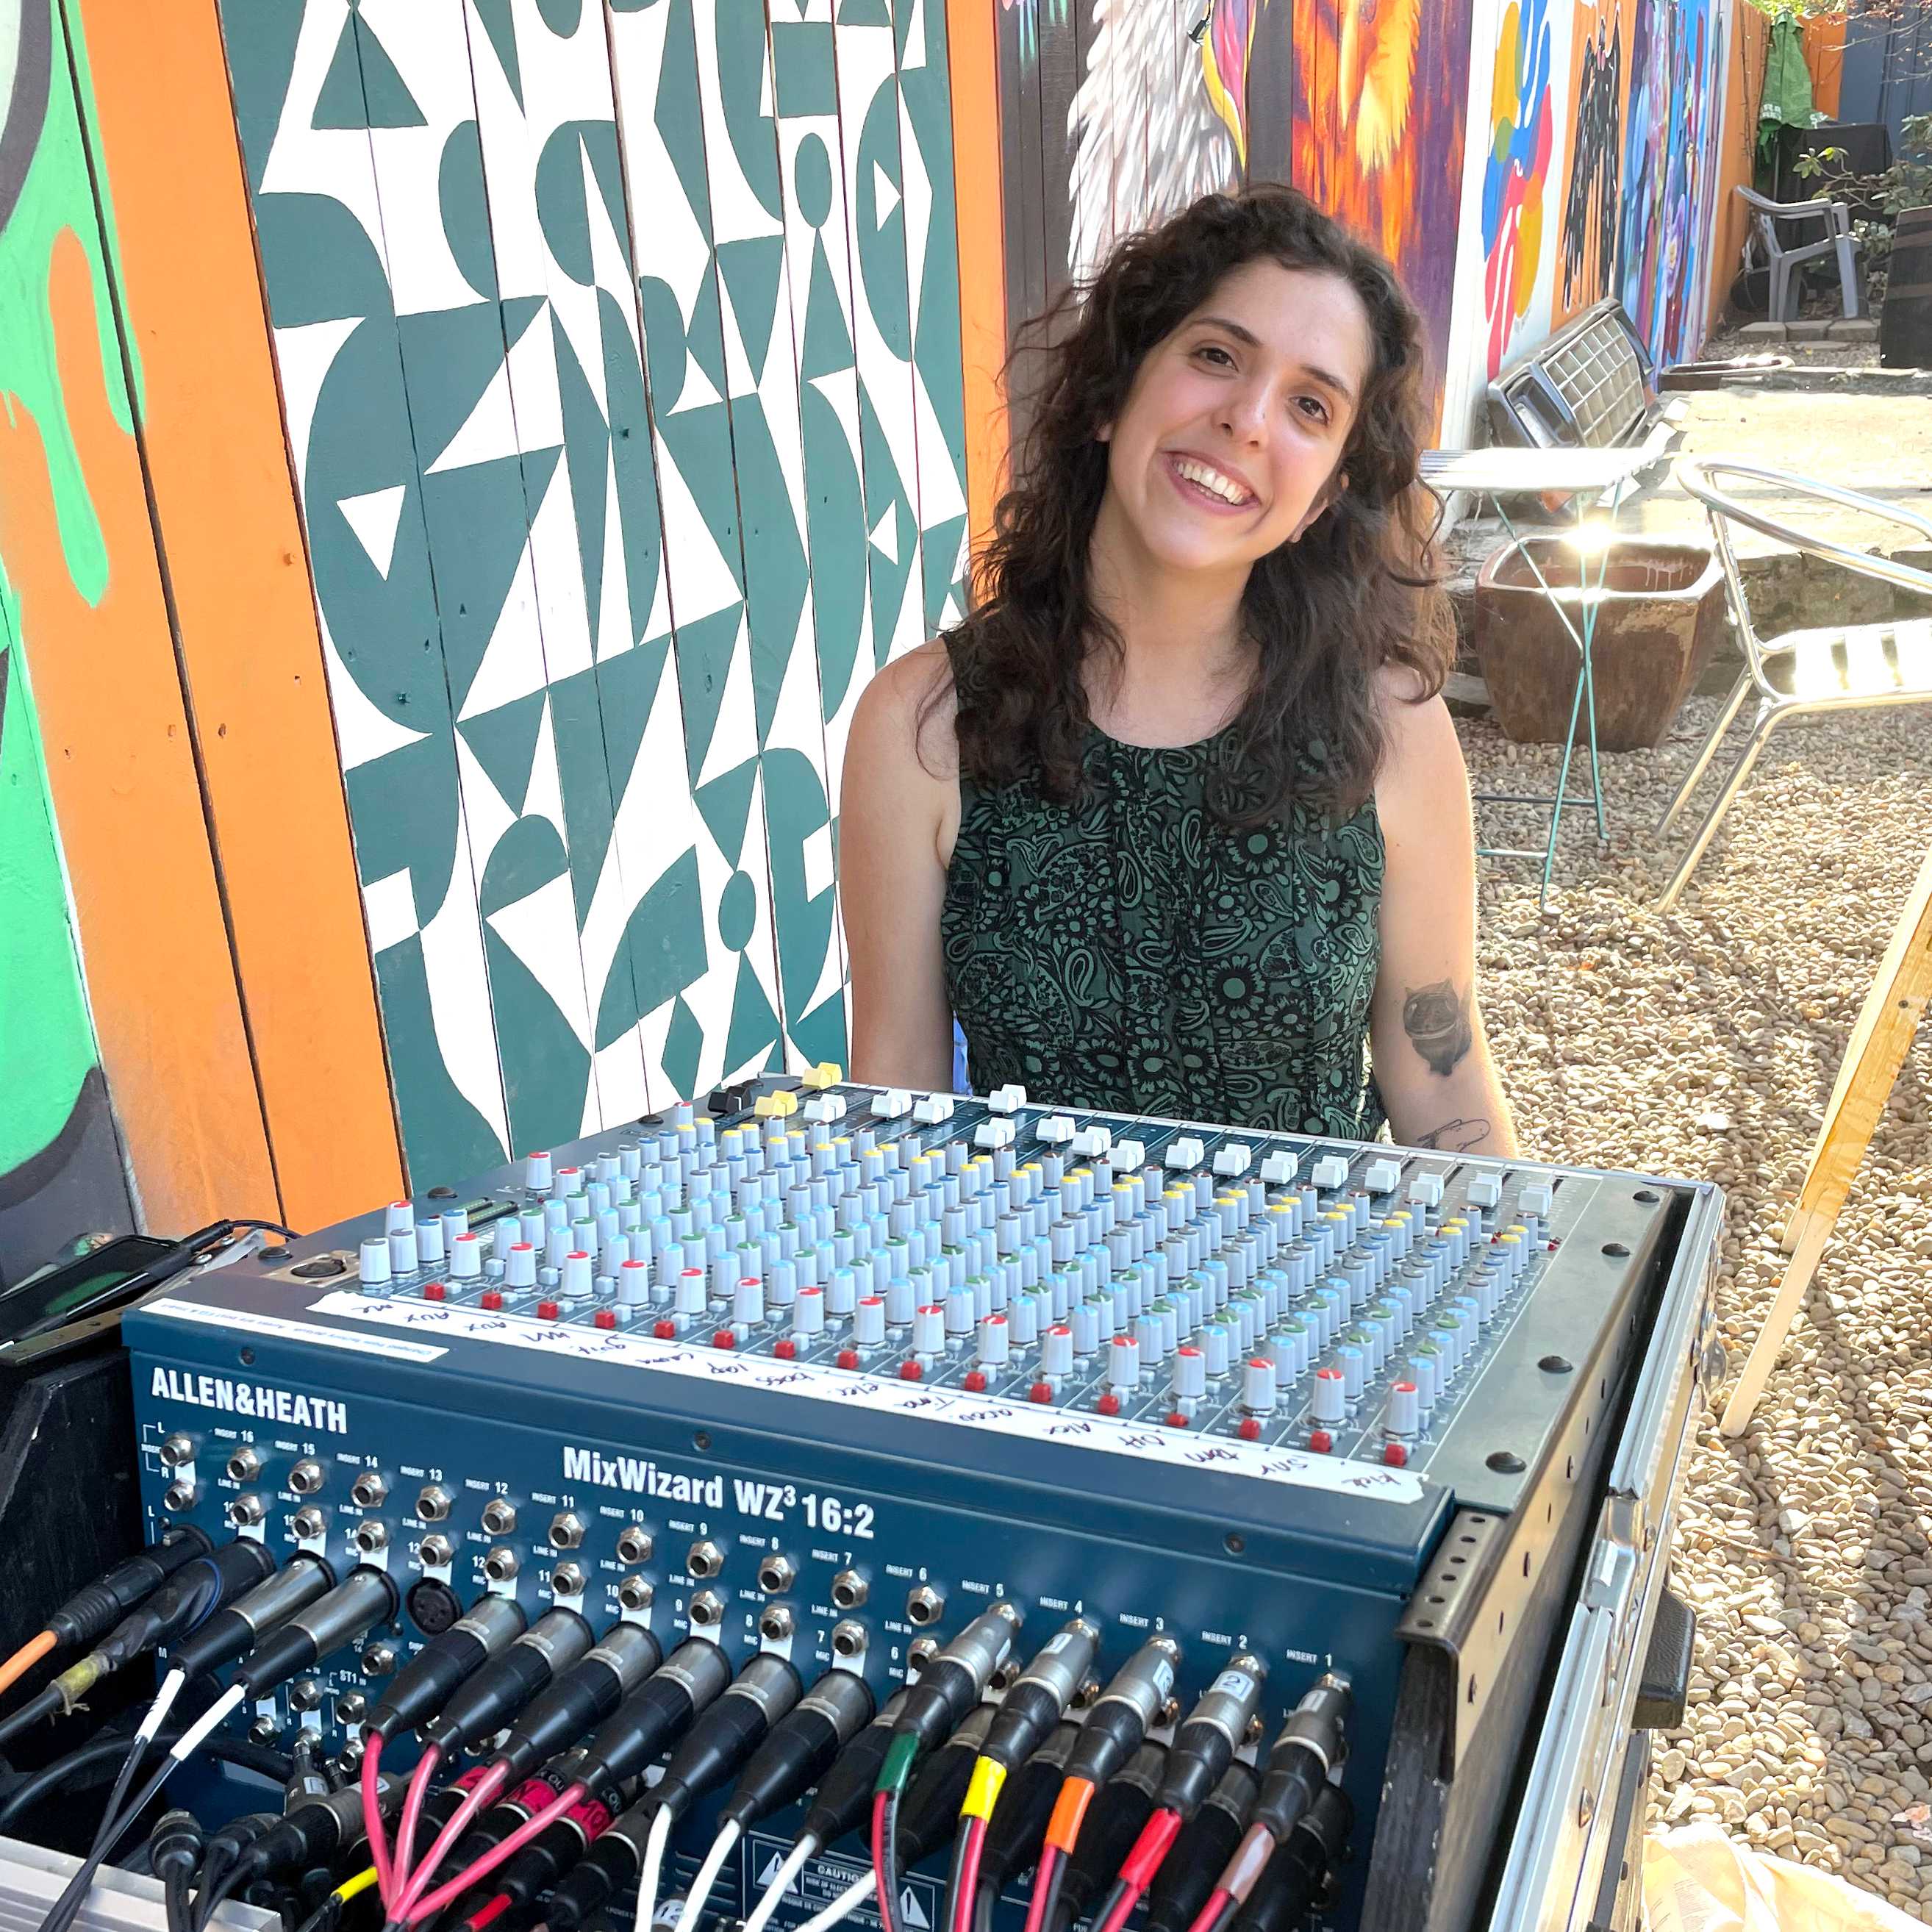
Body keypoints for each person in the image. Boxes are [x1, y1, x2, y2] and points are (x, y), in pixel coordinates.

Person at [840, 187, 1517, 1158]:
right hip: (1021, 1300)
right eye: (1216, 356)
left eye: (1309, 405)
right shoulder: (924, 725)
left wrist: (1530, 1282)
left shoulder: (1390, 726)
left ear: (1326, 494)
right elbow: (893, 1119)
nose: (1246, 419)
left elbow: (1440, 1069)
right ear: (1116, 390)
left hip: (1322, 1297)